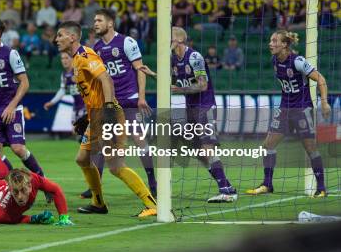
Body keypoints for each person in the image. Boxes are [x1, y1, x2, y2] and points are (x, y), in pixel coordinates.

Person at [54, 21, 157, 217]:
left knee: (116, 166)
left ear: (72, 37)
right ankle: (98, 203)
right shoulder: (75, 60)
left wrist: (108, 108)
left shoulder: (86, 55)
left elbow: (106, 79)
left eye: (60, 35)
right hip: (96, 115)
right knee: (83, 159)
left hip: (108, 113)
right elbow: (94, 89)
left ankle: (151, 204)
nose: (56, 39)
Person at [139, 27, 237, 203]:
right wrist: (152, 74)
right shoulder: (172, 59)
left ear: (178, 40)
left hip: (204, 106)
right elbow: (170, 84)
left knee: (207, 147)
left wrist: (181, 89)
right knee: (198, 151)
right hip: (190, 108)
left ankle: (227, 191)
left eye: (168, 38)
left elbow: (203, 85)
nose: (165, 41)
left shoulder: (194, 57)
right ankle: (227, 186)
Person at [0, 18, 50, 201]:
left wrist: (12, 106)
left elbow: (25, 83)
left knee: (18, 148)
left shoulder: (10, 54)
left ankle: (44, 183)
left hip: (11, 109)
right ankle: (13, 189)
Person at [247, 31, 331, 198]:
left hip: (302, 109)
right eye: (270, 40)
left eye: (274, 41)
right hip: (284, 109)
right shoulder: (274, 61)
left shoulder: (298, 62)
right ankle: (267, 184)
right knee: (267, 146)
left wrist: (324, 101)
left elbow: (320, 79)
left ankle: (321, 188)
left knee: (310, 149)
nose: (270, 44)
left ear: (284, 45)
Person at [88, 9, 157, 199]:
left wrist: (141, 97)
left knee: (138, 138)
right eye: (95, 20)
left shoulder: (127, 42)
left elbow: (140, 70)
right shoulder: (97, 48)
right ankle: (96, 185)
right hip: (111, 102)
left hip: (130, 98)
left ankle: (152, 181)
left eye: (99, 20)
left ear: (110, 23)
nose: (95, 23)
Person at [43, 52, 86, 125]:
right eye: (62, 58)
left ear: (72, 59)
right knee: (76, 130)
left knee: (85, 131)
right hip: (76, 107)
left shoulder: (79, 70)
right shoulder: (64, 75)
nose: (64, 60)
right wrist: (52, 102)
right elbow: (62, 90)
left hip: (87, 106)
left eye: (66, 58)